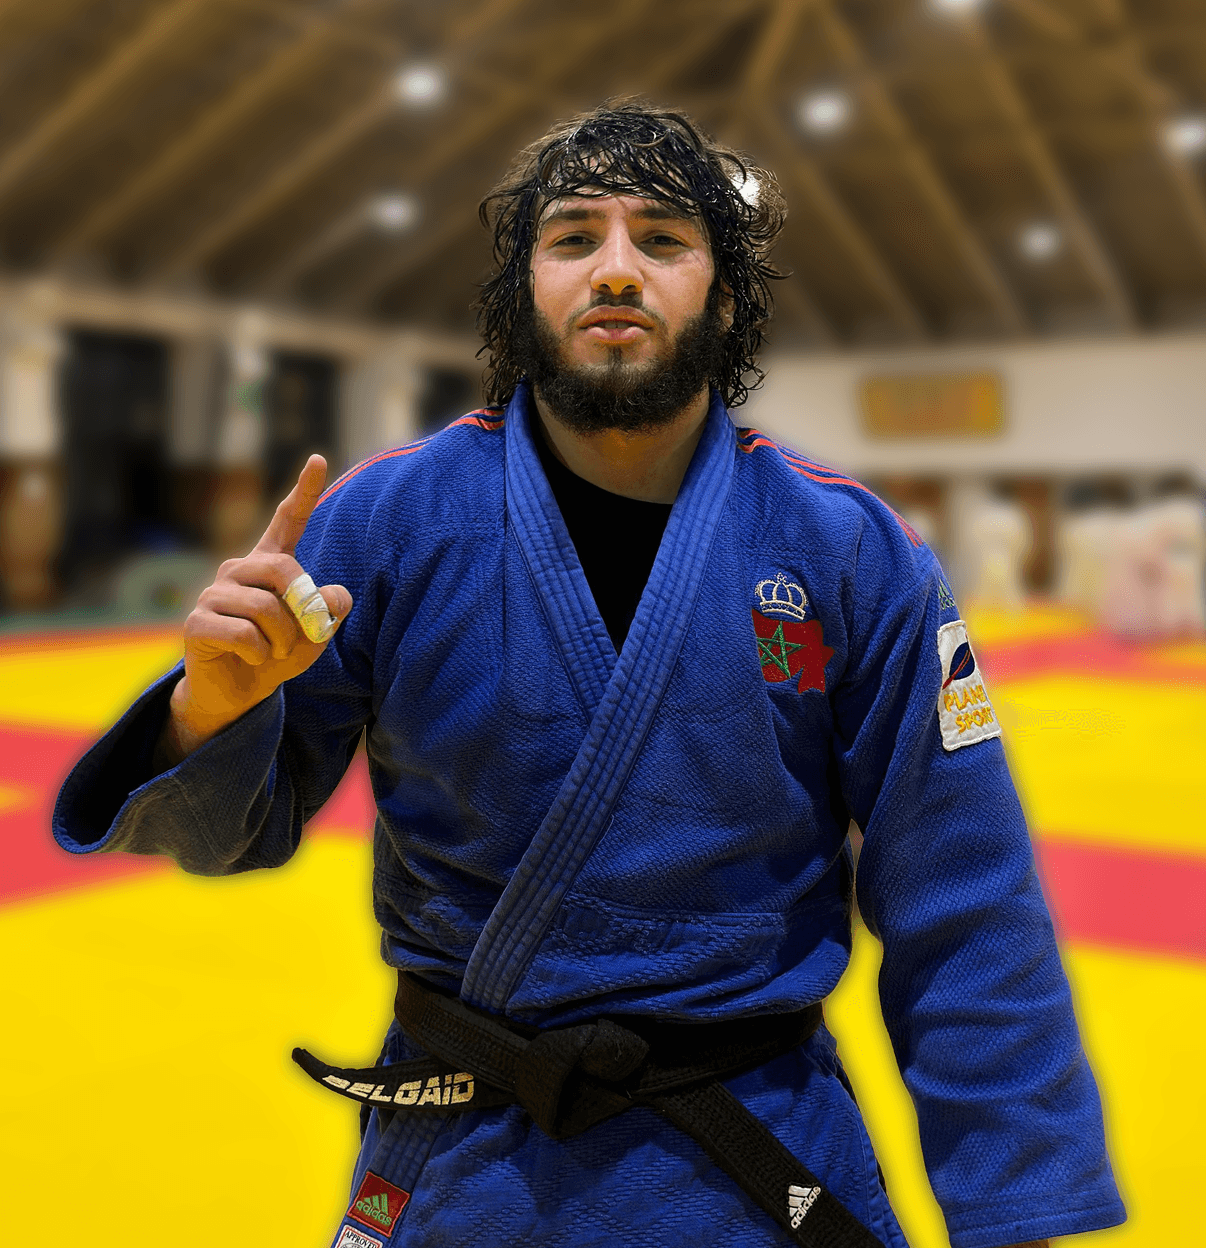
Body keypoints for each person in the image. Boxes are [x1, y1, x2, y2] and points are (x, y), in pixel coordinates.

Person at [54, 101, 1124, 1248]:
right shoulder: (388, 519)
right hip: (470, 1161)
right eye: (574, 238)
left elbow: (964, 903)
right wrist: (207, 711)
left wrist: (1019, 1213)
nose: (617, 269)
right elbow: (226, 836)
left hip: (753, 1160)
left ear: (723, 293)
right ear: (524, 288)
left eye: (662, 239)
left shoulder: (846, 550)